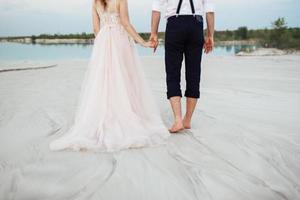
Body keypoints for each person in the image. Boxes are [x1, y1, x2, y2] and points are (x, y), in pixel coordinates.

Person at [49, 0, 170, 152]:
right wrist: (142, 42)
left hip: (103, 40)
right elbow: (126, 24)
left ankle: (106, 115)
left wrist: (102, 42)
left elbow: (95, 28)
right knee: (124, 78)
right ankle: (124, 115)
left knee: (105, 80)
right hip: (119, 40)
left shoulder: (95, 2)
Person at [150, 0, 215, 133]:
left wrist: (154, 34)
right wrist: (210, 35)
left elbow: (156, 9)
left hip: (174, 25)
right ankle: (187, 120)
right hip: (196, 25)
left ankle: (178, 119)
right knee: (194, 73)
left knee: (172, 73)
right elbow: (210, 10)